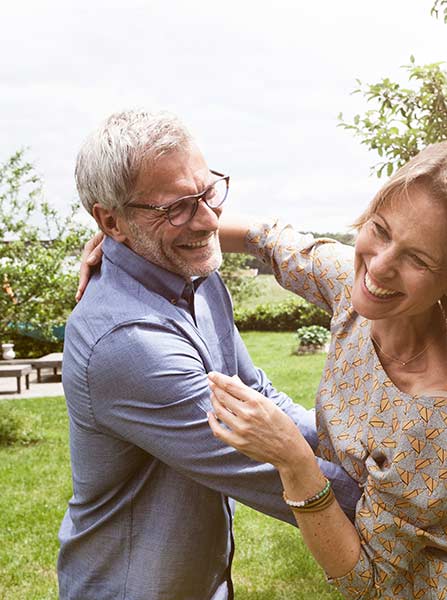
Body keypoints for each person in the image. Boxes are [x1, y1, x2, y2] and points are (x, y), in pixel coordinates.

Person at [206, 140, 447, 599]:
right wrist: (133, 243)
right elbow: (264, 237)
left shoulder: (436, 416)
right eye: (381, 230)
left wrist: (294, 460)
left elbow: (370, 582)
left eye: (418, 258)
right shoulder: (355, 292)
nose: (381, 265)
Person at [58, 109, 361, 600]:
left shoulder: (195, 277)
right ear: (110, 221)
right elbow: (263, 460)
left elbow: (258, 399)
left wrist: (363, 457)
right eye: (177, 207)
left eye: (207, 193)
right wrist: (407, 505)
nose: (208, 220)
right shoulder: (126, 342)